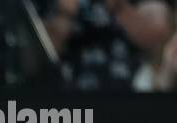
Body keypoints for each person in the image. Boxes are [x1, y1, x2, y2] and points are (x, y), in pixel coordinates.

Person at [38, 0, 173, 89]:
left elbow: (155, 38)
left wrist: (117, 6)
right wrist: (65, 13)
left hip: (126, 88)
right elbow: (38, 56)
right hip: (67, 93)